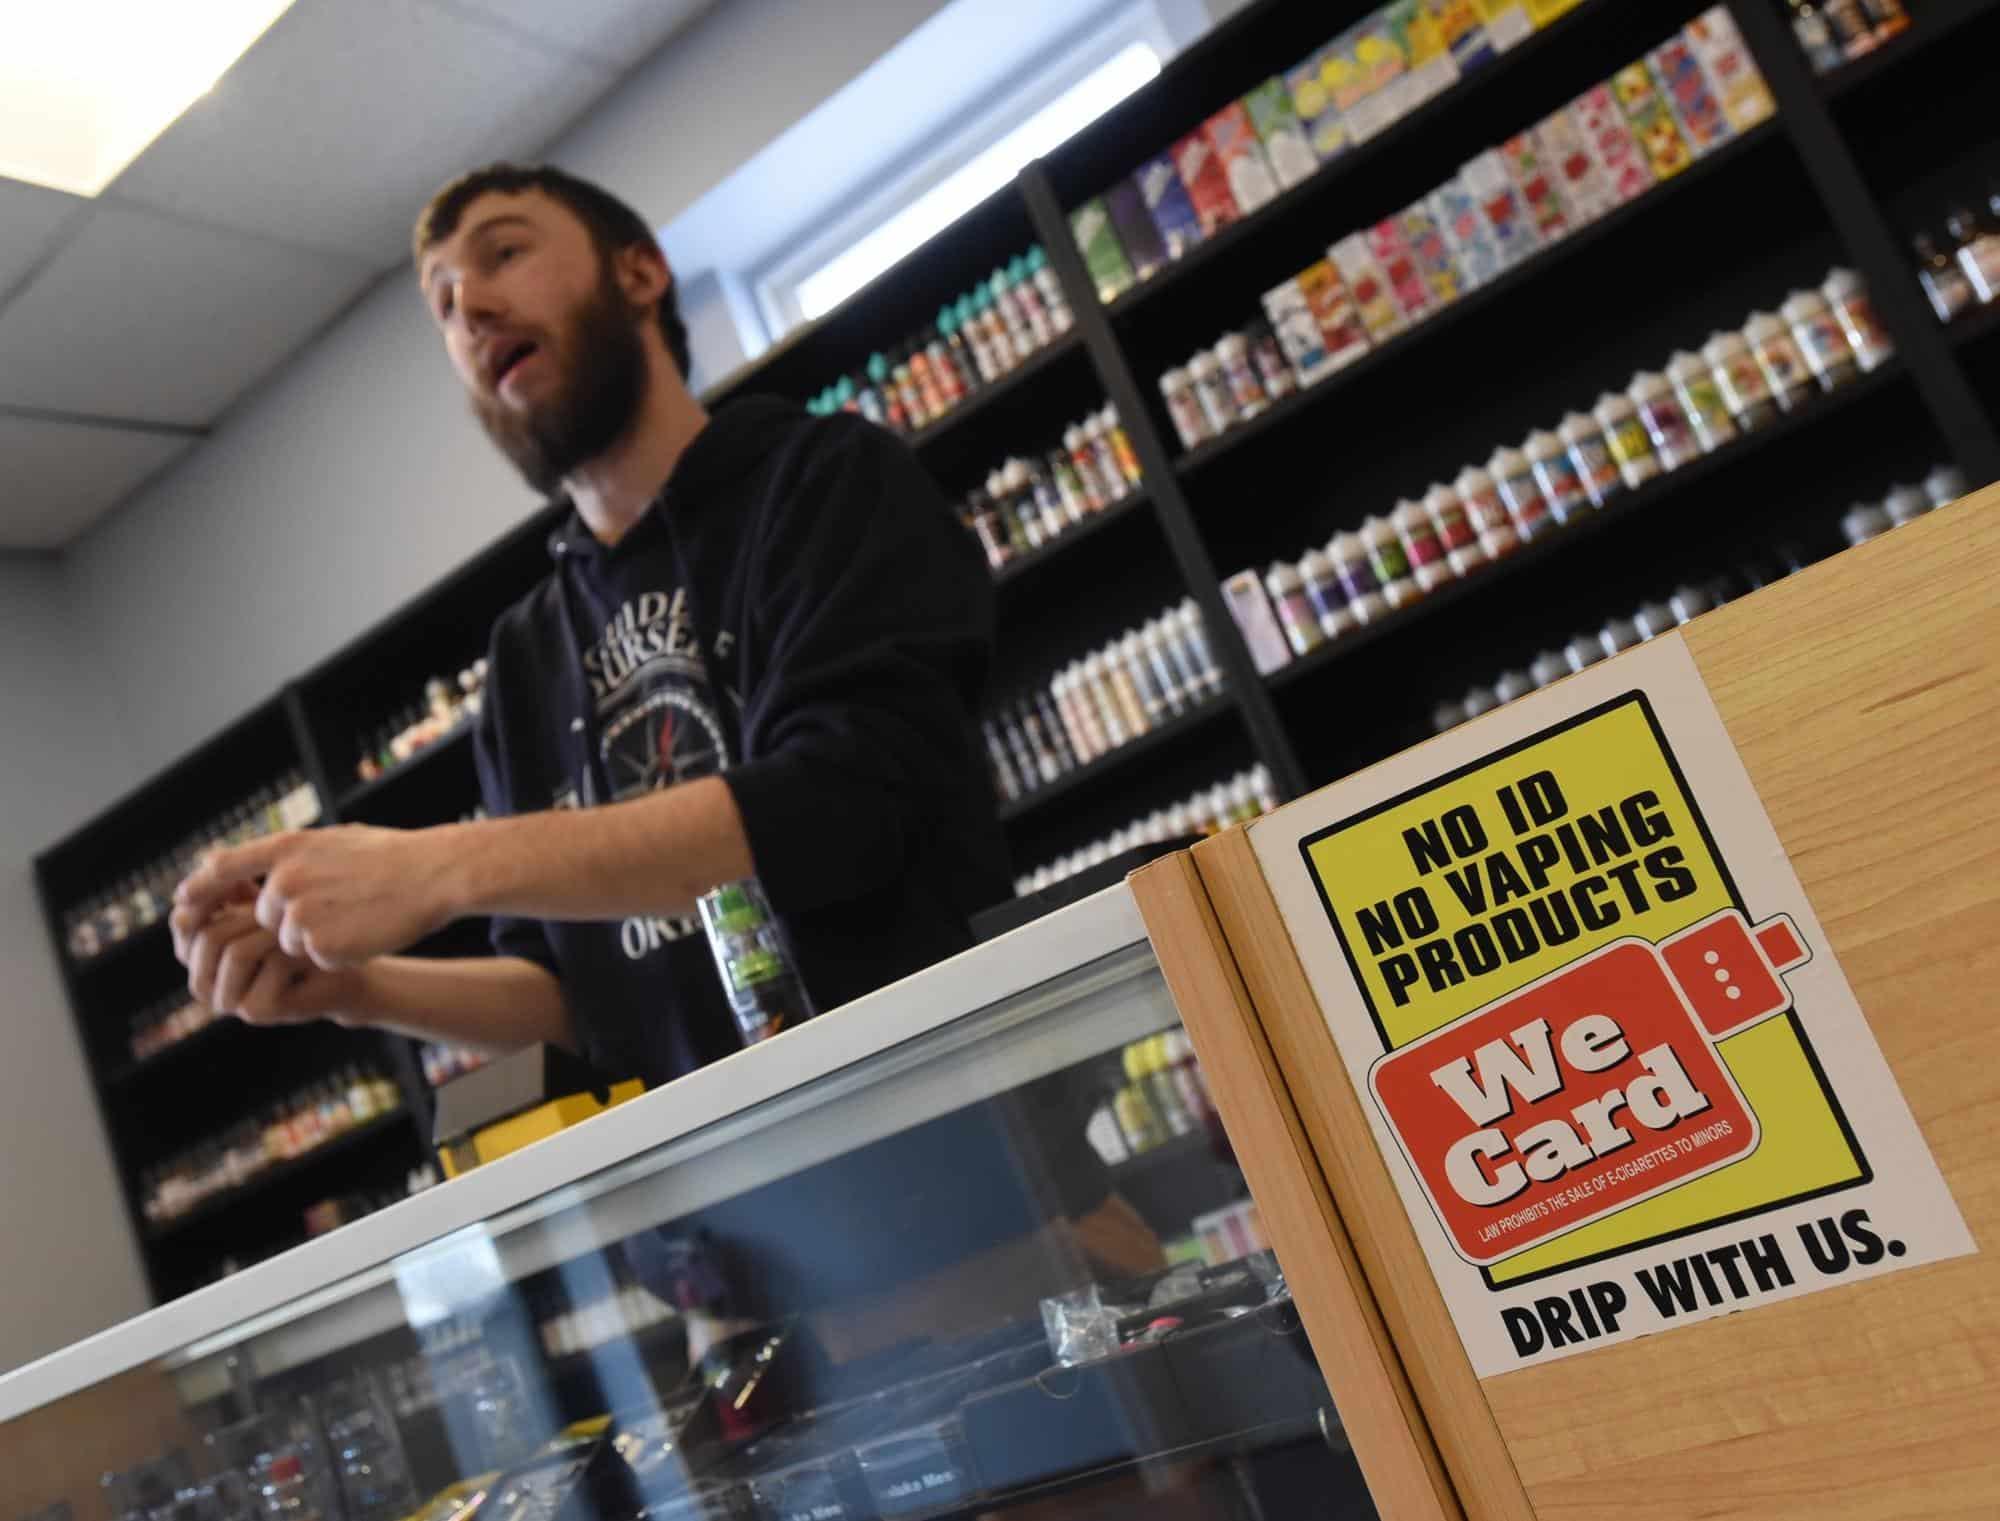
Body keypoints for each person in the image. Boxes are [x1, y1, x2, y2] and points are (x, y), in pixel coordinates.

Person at [171, 164, 1009, 1087]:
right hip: (725, 1200)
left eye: (504, 254)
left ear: (640, 274)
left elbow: (846, 803)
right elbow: (574, 995)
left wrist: (443, 865)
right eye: (443, 304)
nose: (471, 310)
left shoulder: (823, 481)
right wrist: (355, 988)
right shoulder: (525, 657)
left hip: (959, 1099)